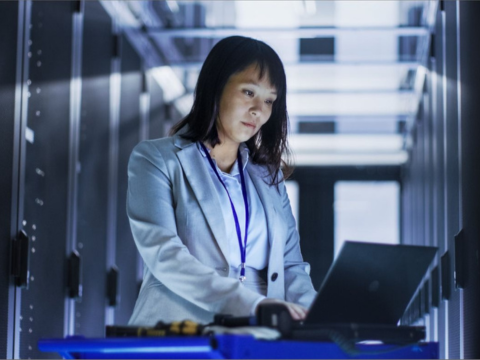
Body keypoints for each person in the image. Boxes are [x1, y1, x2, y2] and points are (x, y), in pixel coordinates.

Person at [127, 36, 317, 326]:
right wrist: (253, 305)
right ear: (216, 87)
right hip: (180, 331)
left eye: (269, 100)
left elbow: (291, 266)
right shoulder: (155, 159)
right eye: (248, 92)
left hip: (257, 337)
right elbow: (165, 255)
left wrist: (320, 316)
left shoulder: (269, 177)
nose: (259, 110)